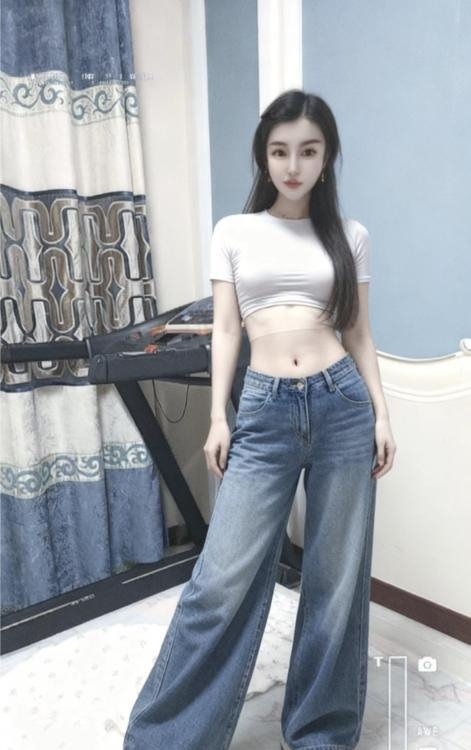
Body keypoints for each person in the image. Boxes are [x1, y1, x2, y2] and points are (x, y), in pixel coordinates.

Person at [122, 89, 397, 750]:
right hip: (266, 408)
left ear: (326, 158)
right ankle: (165, 739)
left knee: (335, 581)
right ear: (263, 157)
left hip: (341, 406)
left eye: (307, 151)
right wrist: (218, 417)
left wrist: (382, 416)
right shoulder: (234, 232)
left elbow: (359, 334)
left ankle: (319, 734)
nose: (292, 165)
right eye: (279, 151)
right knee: (219, 583)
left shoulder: (350, 236)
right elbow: (225, 331)